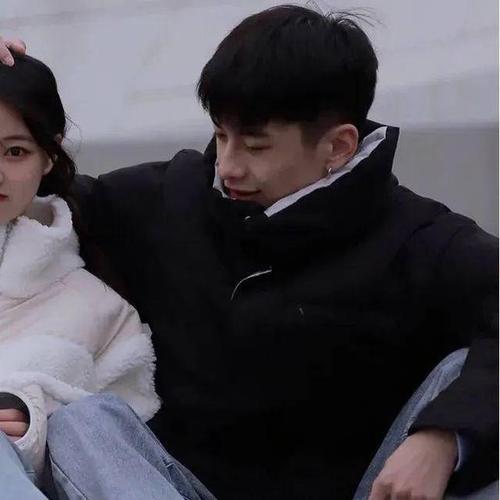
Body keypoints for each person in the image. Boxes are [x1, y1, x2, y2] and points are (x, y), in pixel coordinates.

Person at [2, 5, 497, 499]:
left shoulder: (419, 240)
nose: (229, 165)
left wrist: (443, 437)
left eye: (256, 147)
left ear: (339, 146)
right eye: (221, 135)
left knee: (459, 375)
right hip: (171, 490)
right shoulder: (170, 199)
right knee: (83, 422)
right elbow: (27, 187)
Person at [0, 54, 162, 496]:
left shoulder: (100, 311)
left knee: (85, 422)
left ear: (48, 156)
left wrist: (31, 422)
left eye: (15, 152)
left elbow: (122, 457)